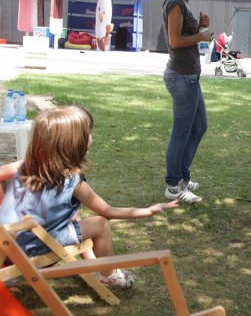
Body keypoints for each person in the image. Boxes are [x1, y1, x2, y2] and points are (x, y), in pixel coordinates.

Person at [0, 106, 179, 289]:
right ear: (73, 144)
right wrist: (148, 210)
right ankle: (108, 275)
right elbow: (107, 211)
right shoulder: (71, 181)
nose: (91, 137)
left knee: (72, 213)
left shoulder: (24, 166)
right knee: (100, 224)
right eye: (88, 134)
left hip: (5, 248)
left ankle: (91, 263)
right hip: (31, 251)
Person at [161, 0, 214, 204]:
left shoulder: (182, 4)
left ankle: (182, 175)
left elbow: (184, 33)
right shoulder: (175, 3)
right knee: (181, 133)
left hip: (190, 77)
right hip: (181, 77)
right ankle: (174, 185)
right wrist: (201, 36)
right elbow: (174, 41)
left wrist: (199, 26)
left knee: (199, 127)